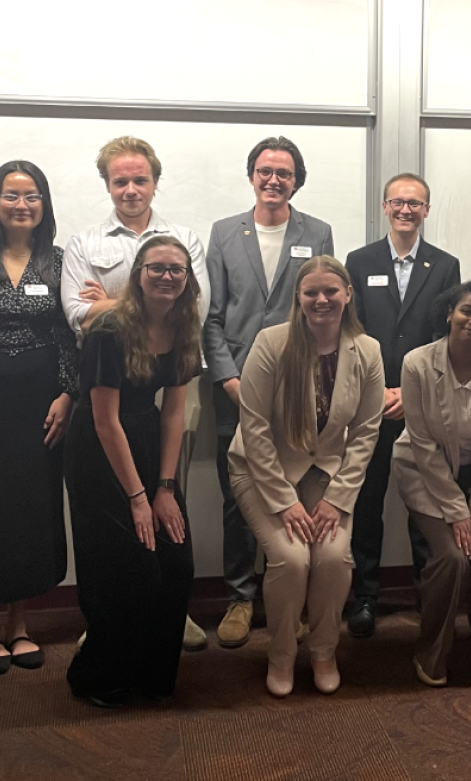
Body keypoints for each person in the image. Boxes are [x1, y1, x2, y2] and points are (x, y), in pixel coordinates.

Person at [60, 135, 210, 652]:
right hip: (105, 408)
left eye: (139, 179)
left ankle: (165, 615)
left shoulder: (183, 238)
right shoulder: (84, 242)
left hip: (155, 413)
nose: (130, 188)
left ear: (154, 182)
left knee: (167, 526)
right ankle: (103, 627)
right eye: (119, 180)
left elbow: (196, 304)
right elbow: (78, 314)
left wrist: (112, 297)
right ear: (107, 185)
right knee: (107, 540)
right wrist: (125, 302)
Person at [229, 256, 383, 698]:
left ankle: (323, 650)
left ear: (348, 294)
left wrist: (337, 499)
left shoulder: (366, 350)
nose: (321, 300)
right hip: (263, 471)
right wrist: (284, 502)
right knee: (291, 560)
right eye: (311, 292)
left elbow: (367, 430)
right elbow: (254, 425)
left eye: (331, 291)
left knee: (333, 559)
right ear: (298, 297)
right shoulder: (270, 343)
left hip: (326, 475)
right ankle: (280, 656)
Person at [203, 136, 335, 649]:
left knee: (298, 486)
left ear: (297, 180)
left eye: (284, 172)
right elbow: (212, 319)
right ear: (251, 175)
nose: (273, 179)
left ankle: (295, 597)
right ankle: (240, 596)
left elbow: (323, 307)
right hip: (233, 385)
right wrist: (230, 379)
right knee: (238, 495)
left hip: (298, 386)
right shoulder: (222, 233)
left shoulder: (317, 232)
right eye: (264, 170)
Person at [0, 161, 77, 674]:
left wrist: (68, 394)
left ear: (44, 203)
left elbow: (69, 333)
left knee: (32, 505)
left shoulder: (61, 260)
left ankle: (19, 624)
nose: (21, 204)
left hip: (41, 401)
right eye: (10, 195)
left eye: (31, 195)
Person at [64, 236, 200, 708]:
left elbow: (173, 414)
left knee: (178, 566)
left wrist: (165, 488)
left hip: (147, 443)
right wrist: (137, 499)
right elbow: (105, 421)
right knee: (132, 571)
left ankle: (152, 676)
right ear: (138, 273)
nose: (167, 277)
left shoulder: (185, 326)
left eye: (176, 270)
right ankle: (99, 677)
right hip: (101, 451)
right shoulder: (109, 329)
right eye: (157, 268)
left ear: (188, 279)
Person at [345, 173, 460, 638]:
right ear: (386, 206)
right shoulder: (359, 260)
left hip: (421, 406)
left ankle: (427, 595)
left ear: (427, 210)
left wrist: (409, 395)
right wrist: (379, 392)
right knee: (365, 503)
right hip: (368, 405)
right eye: (398, 202)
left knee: (424, 507)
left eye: (415, 203)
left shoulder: (446, 266)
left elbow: (444, 337)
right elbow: (350, 330)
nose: (406, 210)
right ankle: (365, 597)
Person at [393, 280, 471, 686]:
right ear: (450, 312)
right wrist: (456, 510)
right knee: (452, 557)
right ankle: (432, 652)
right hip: (426, 473)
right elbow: (422, 443)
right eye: (467, 311)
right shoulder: (417, 363)